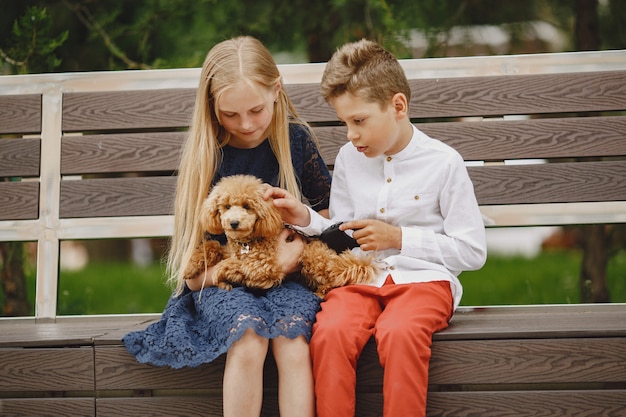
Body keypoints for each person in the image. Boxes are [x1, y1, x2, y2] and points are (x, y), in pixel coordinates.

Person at [266, 39, 487, 417]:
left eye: (359, 121)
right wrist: (303, 216)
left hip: (424, 282)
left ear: (397, 106)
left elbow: (472, 251)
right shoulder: (350, 159)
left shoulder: (444, 163)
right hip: (361, 280)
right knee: (330, 333)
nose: (350, 134)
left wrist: (399, 239)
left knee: (399, 334)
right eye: (344, 122)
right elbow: (342, 231)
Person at [123, 36, 331, 417]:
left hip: (290, 279)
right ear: (211, 106)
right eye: (231, 115)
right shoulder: (207, 155)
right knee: (248, 335)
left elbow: (332, 225)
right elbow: (192, 277)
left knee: (292, 339)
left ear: (276, 91)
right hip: (221, 283)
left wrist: (296, 248)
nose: (246, 124)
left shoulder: (296, 141)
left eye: (255, 110)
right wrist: (246, 271)